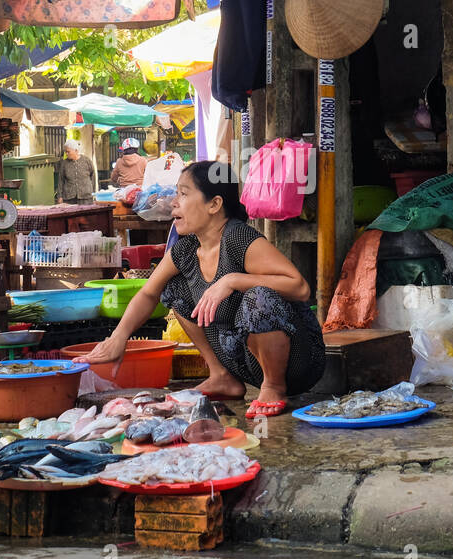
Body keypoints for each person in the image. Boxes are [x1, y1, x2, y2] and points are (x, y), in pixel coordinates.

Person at [81, 161, 325, 419]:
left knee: (258, 297)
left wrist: (232, 280)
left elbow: (299, 287)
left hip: (298, 363)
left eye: (184, 194)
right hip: (241, 358)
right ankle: (221, 376)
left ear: (214, 205)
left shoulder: (239, 238)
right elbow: (148, 293)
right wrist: (119, 338)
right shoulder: (186, 249)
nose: (174, 202)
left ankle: (273, 386)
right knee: (172, 288)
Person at [58, 140, 95, 205]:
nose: (66, 154)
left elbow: (93, 177)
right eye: (65, 152)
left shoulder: (87, 161)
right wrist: (60, 196)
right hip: (69, 198)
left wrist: (93, 193)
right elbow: (61, 181)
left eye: (68, 152)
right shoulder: (64, 164)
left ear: (76, 151)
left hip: (86, 198)